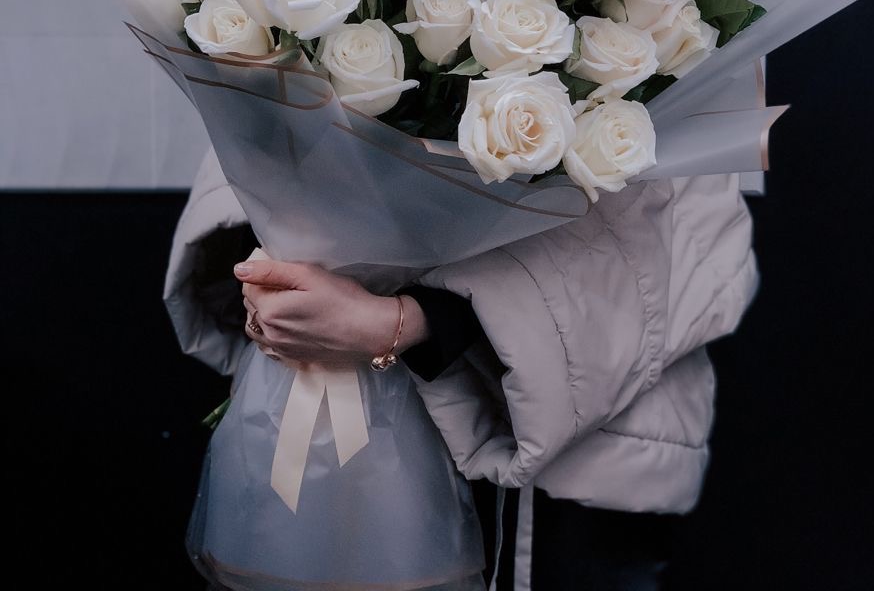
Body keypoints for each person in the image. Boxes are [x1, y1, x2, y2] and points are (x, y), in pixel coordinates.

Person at [165, 146, 758, 590]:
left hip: (579, 456)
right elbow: (259, 140)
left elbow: (689, 237)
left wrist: (405, 322)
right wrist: (283, 276)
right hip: (330, 399)